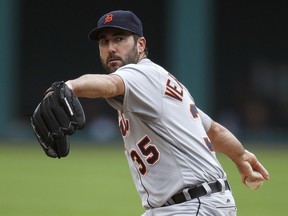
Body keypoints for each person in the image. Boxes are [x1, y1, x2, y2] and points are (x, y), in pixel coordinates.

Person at [65, 10, 269, 216]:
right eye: (104, 42)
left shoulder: (143, 74)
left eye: (119, 39)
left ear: (141, 44)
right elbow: (213, 131)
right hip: (191, 204)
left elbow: (108, 84)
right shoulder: (157, 84)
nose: (111, 48)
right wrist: (240, 156)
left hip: (192, 205)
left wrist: (70, 87)